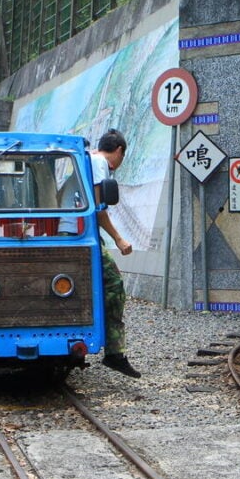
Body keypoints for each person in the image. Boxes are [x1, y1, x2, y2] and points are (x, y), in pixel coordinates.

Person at [91, 128, 140, 378]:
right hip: (80, 236)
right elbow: (99, 209)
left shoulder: (85, 158)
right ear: (119, 151)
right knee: (113, 285)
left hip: (78, 233)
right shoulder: (99, 162)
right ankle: (114, 352)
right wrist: (119, 239)